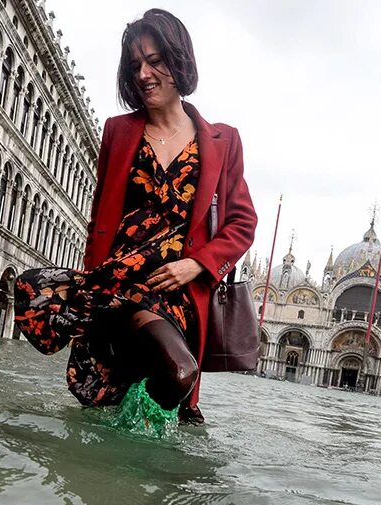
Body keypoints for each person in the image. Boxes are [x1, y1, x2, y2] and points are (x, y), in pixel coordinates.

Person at [14, 9, 257, 425]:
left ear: (179, 61)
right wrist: (95, 277)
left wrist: (196, 264)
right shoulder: (118, 130)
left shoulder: (223, 140)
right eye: (135, 65)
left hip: (177, 287)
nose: (144, 74)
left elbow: (242, 222)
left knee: (178, 374)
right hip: (120, 281)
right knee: (175, 371)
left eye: (155, 61)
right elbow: (101, 216)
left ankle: (137, 433)